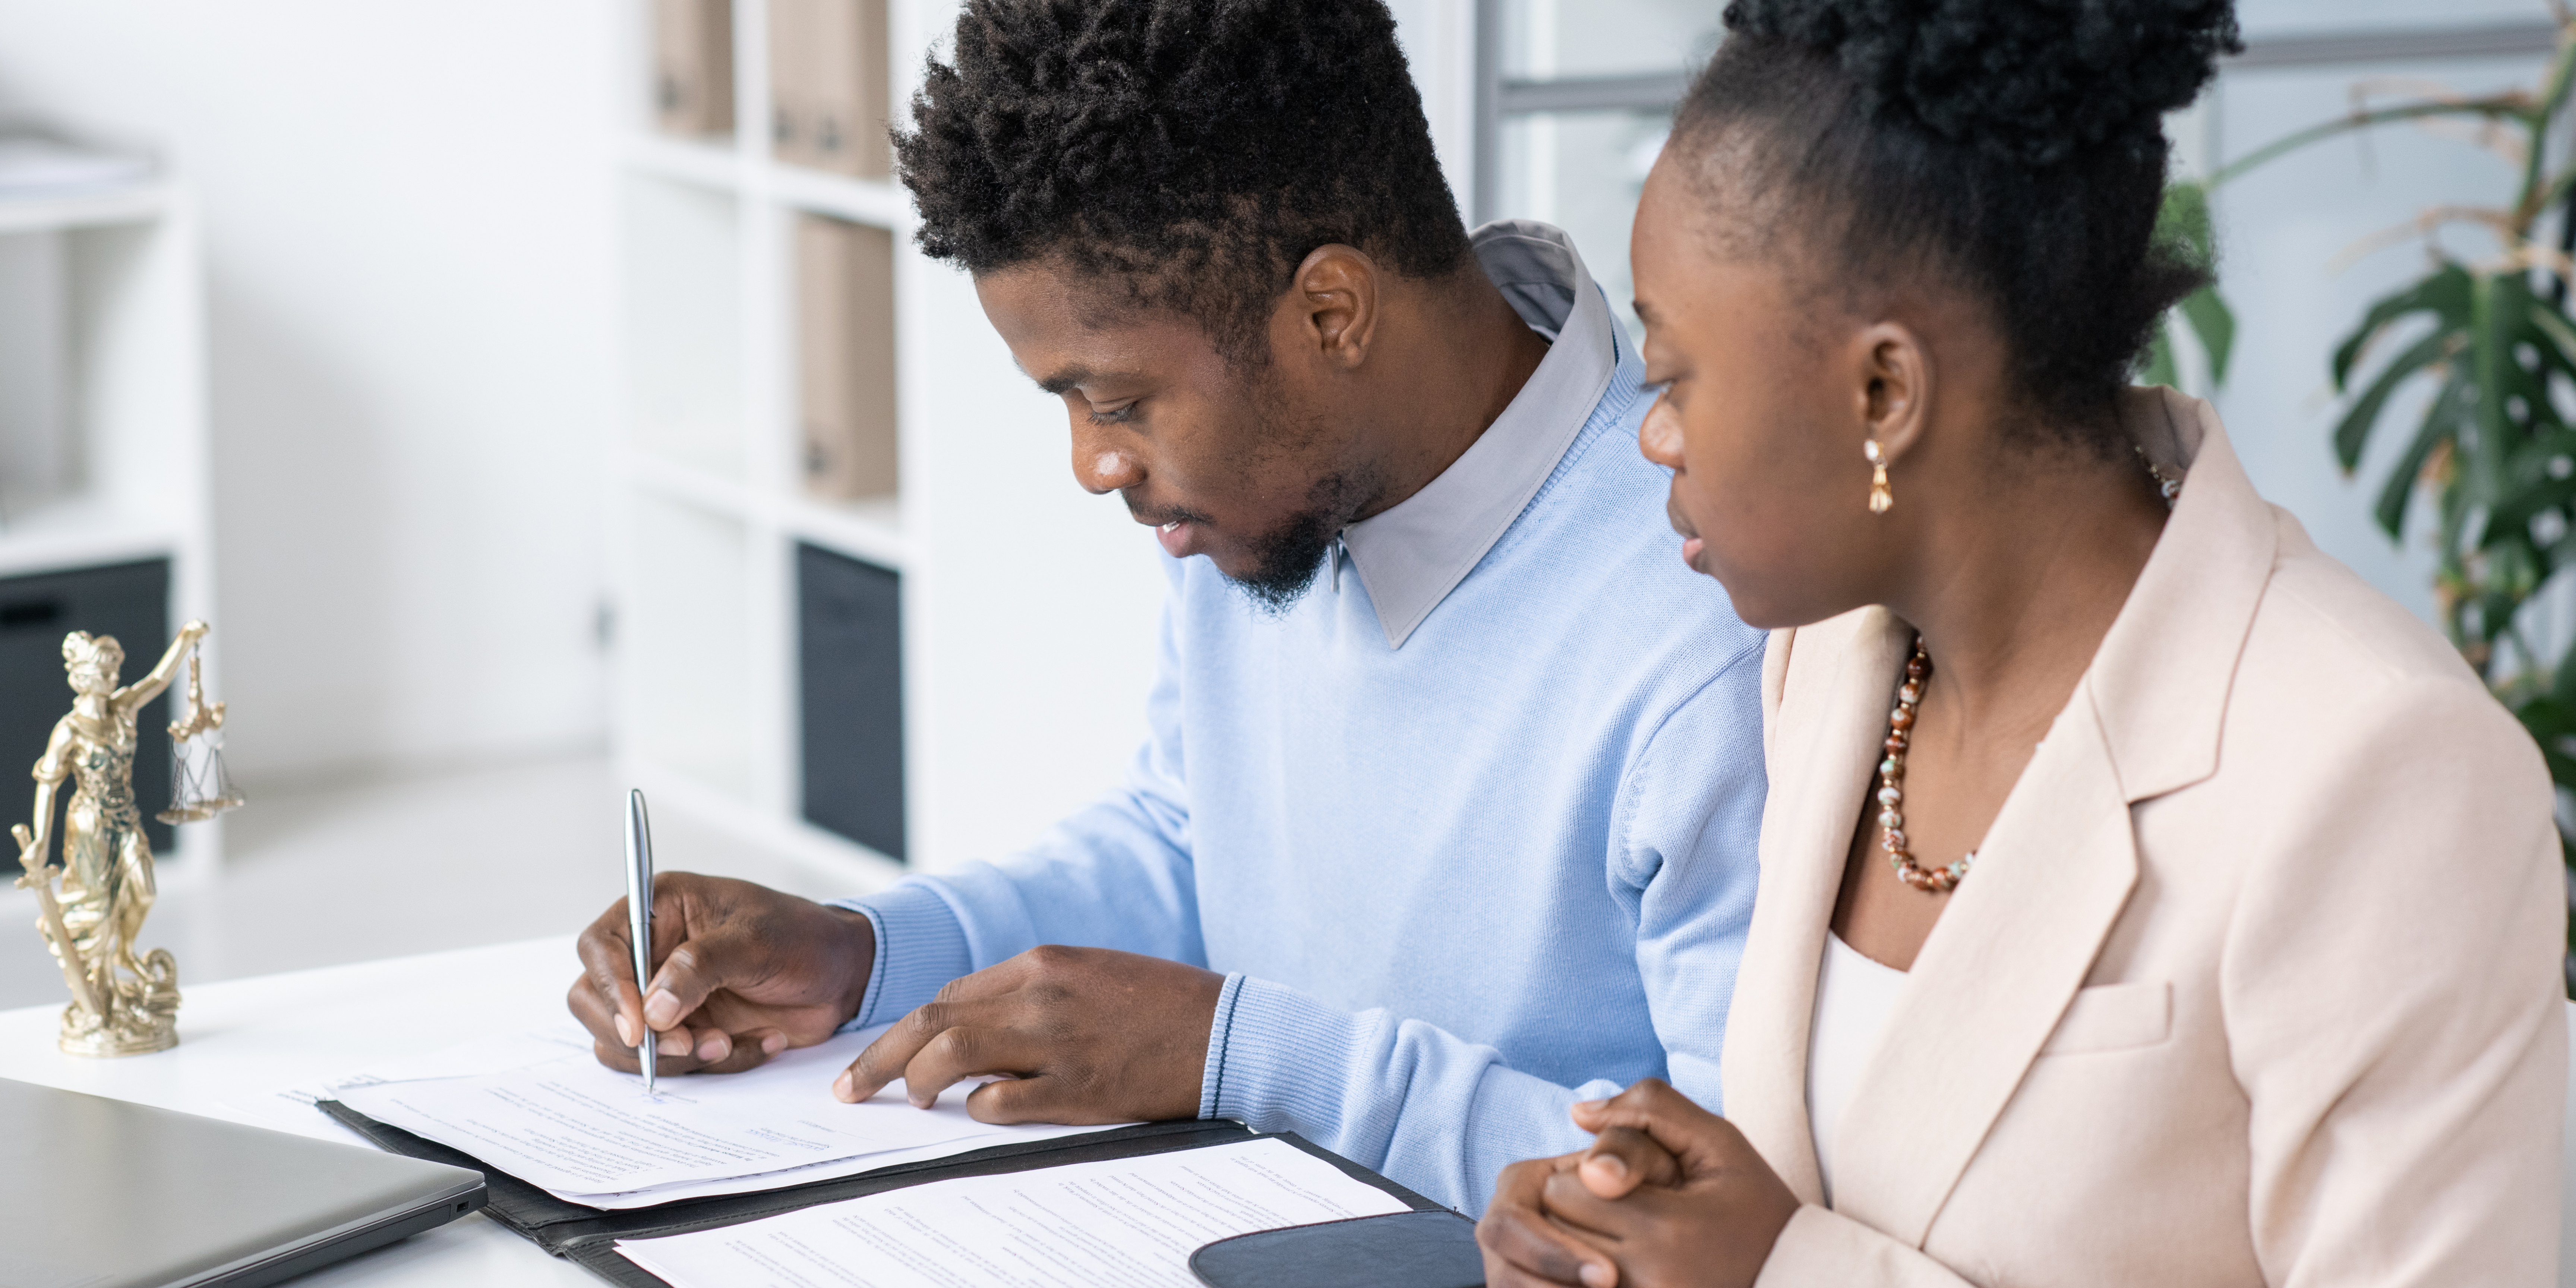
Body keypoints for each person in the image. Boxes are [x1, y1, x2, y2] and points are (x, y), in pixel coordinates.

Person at [564, 0, 1769, 1213]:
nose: (1094, 465)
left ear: (1330, 314)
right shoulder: (1275, 496)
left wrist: (1240, 1059)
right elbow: (1191, 838)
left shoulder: (1719, 606)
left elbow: (1728, 1198)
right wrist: (866, 956)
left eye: (1120, 402)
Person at [1476, 1, 2568, 1285]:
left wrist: (1781, 1273)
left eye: (1671, 377)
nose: (1653, 437)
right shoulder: (1828, 669)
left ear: (1885, 392)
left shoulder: (2379, 767)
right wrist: (1643, 1237)